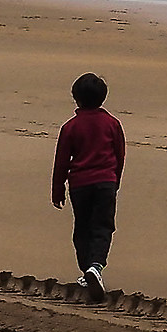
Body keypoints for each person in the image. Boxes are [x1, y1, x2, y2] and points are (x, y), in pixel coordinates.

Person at [52, 72, 126, 304]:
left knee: (82, 228)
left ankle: (88, 268)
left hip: (80, 184)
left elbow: (62, 160)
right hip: (105, 181)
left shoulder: (70, 127)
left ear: (76, 99)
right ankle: (96, 266)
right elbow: (119, 155)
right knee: (103, 227)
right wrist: (116, 180)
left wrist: (57, 188)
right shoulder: (113, 124)